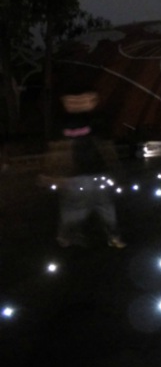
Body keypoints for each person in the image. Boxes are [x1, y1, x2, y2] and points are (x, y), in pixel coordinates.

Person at [51, 89, 125, 249]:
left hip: (94, 174)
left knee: (100, 208)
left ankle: (110, 236)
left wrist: (114, 167)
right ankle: (66, 236)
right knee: (75, 210)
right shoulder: (65, 122)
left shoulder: (96, 121)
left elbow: (106, 145)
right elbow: (58, 149)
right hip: (77, 176)